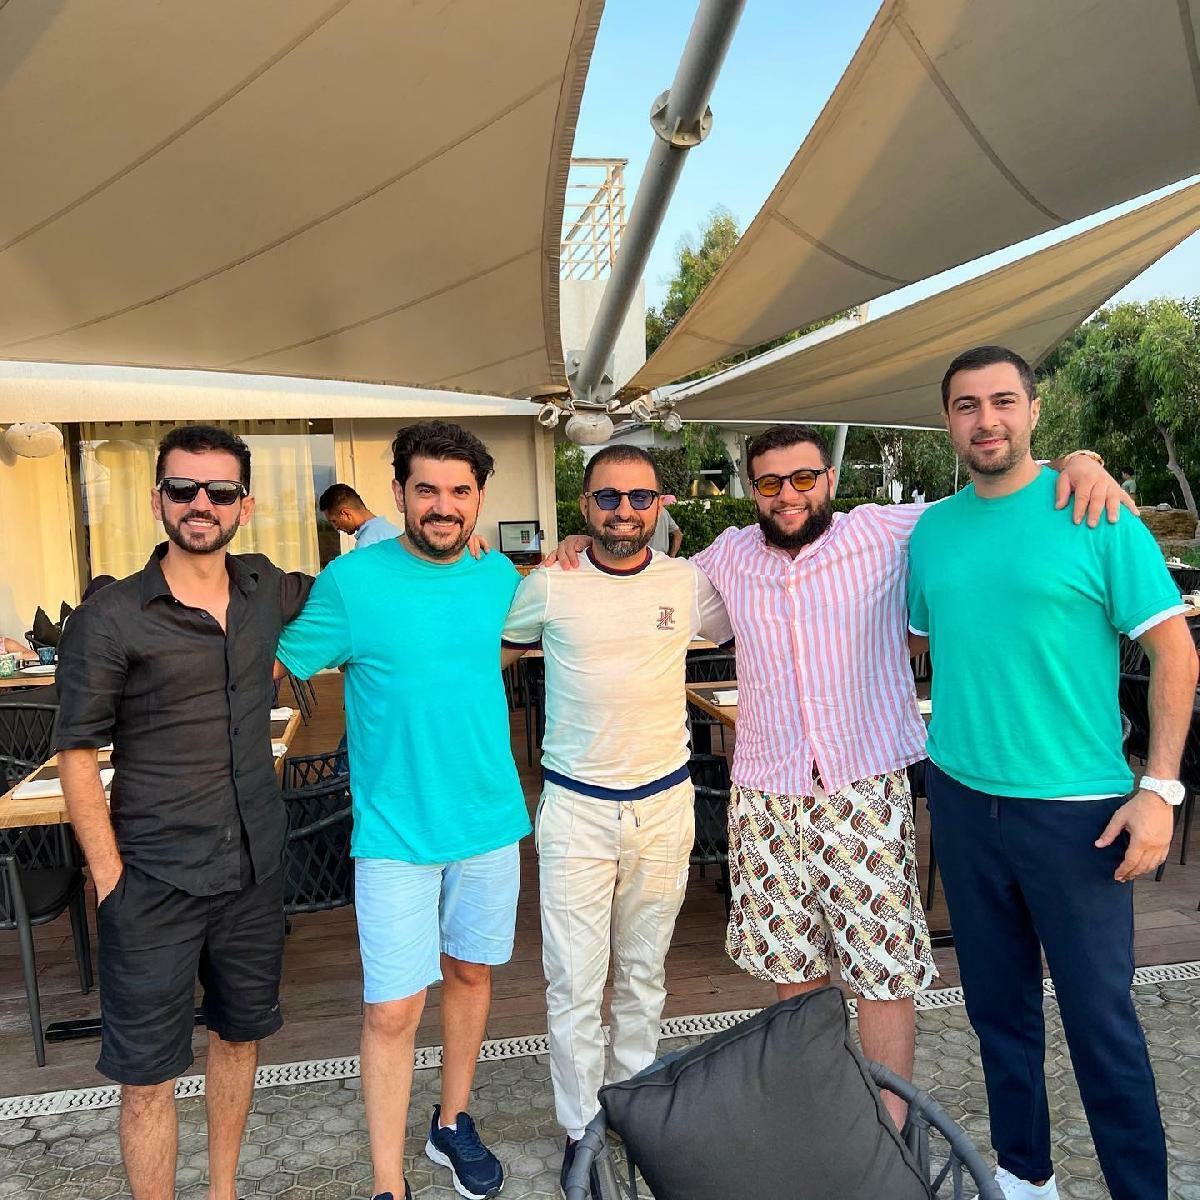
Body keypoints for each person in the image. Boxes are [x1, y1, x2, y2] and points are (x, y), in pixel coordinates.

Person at [553, 425, 1131, 1130]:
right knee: (791, 967)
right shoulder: (728, 556)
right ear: (752, 489)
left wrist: (1077, 461)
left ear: (828, 479)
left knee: (882, 969)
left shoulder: (885, 532)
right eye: (770, 483)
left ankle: (890, 1133)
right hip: (767, 790)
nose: (787, 495)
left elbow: (992, 493)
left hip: (864, 786)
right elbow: (645, 573)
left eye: (803, 478)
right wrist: (584, 546)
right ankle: (823, 1127)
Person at [907, 346, 1196, 1200]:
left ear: (1034, 410)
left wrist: (1160, 789)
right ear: (948, 421)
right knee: (998, 1012)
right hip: (962, 799)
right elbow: (923, 635)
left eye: (1004, 401)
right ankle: (1025, 1177)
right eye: (966, 405)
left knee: (1101, 1021)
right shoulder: (930, 531)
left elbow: (1176, 654)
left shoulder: (1097, 516)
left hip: (1078, 813)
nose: (986, 419)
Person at [55, 424, 312, 1200]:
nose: (202, 503)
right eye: (183, 488)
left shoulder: (267, 588)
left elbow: (366, 584)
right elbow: (76, 753)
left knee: (239, 1040)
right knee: (147, 1079)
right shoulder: (111, 617)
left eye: (220, 490)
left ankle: (223, 1191)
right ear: (158, 498)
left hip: (253, 871)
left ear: (245, 505)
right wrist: (110, 880)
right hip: (151, 881)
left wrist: (478, 555)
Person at [277, 421, 529, 1200]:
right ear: (399, 493)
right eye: (427, 490)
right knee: (392, 1010)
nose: (443, 506)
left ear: (478, 499)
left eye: (460, 492)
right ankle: (388, 1184)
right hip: (392, 832)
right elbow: (276, 662)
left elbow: (516, 641)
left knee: (471, 974)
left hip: (488, 819)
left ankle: (451, 1123)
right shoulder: (353, 583)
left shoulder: (499, 577)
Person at [501, 446, 732, 1192]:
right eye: (608, 498)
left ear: (660, 504)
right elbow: (489, 652)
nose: (624, 511)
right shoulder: (550, 583)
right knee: (572, 981)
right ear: (585, 505)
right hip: (576, 807)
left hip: (664, 804)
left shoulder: (687, 583)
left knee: (642, 973)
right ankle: (580, 1127)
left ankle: (632, 1109)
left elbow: (759, 613)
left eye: (638, 498)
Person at [319, 482, 403, 548]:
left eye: (334, 521)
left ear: (346, 513)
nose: (335, 527)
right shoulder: (394, 531)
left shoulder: (366, 544)